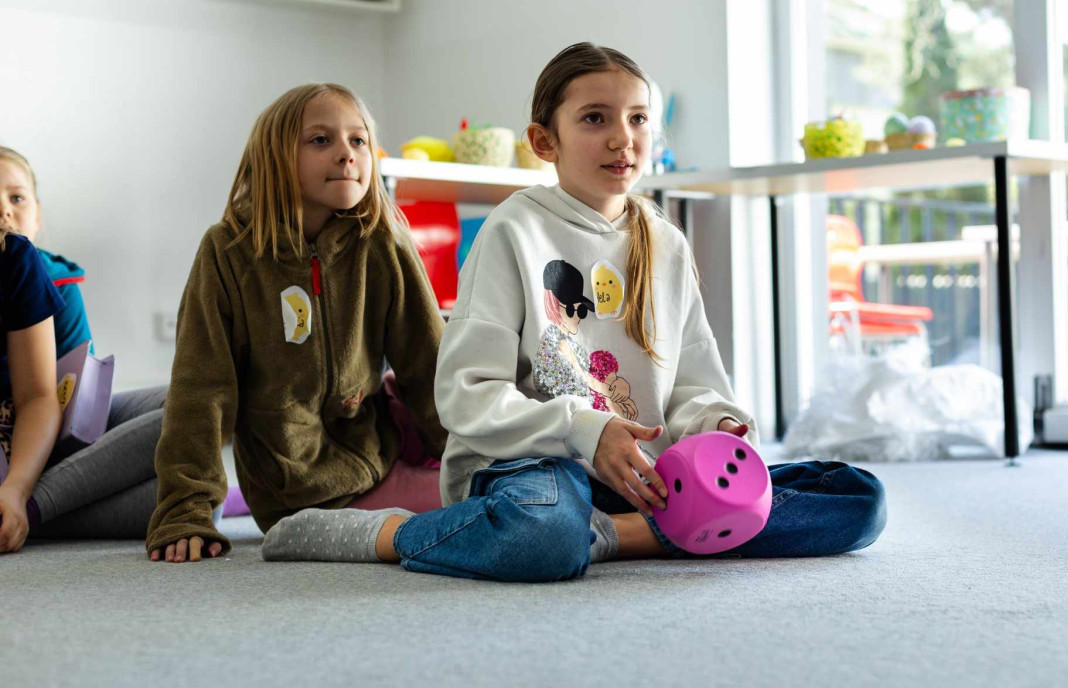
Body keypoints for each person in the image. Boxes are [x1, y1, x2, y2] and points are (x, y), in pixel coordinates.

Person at [261, 44, 886, 580]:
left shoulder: (666, 243)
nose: (622, 138)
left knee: (859, 500)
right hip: (534, 470)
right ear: (544, 141)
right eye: (595, 118)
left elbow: (694, 385)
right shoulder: (513, 231)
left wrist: (715, 424)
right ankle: (388, 534)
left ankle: (616, 535)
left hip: (645, 478)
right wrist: (585, 429)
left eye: (638, 118)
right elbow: (465, 396)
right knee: (540, 532)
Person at [145, 83, 445, 563]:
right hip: (304, 485)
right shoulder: (227, 252)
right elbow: (200, 392)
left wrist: (476, 465)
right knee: (486, 512)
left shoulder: (382, 241)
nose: (347, 154)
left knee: (495, 443)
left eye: (358, 140)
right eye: (321, 140)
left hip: (378, 438)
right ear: (274, 158)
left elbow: (429, 366)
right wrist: (185, 510)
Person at [0, 146, 168, 549]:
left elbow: (60, 396)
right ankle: (27, 512)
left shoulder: (27, 266)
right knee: (180, 497)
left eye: (16, 198)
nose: (4, 210)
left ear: (37, 212)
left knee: (197, 405)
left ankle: (22, 508)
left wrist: (18, 486)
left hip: (44, 434)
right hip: (21, 446)